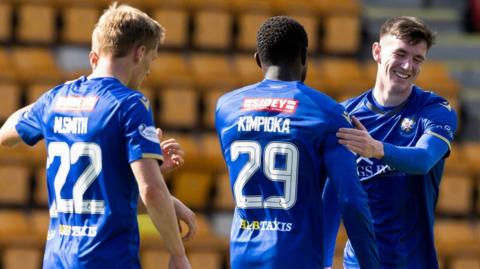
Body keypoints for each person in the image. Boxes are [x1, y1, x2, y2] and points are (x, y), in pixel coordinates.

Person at [0, 3, 195, 269]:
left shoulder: (55, 99)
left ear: (95, 56)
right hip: (107, 260)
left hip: (57, 260)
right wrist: (178, 253)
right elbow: (150, 190)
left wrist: (166, 196)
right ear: (139, 53)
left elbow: (7, 134)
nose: (149, 70)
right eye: (152, 58)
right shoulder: (130, 104)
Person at [215, 16, 380, 269]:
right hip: (297, 257)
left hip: (242, 254)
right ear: (304, 57)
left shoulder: (226, 107)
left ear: (258, 59)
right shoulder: (327, 113)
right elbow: (350, 199)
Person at [323, 16, 458, 269]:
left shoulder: (435, 110)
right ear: (377, 51)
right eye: (401, 54)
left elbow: (424, 159)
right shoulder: (344, 115)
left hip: (414, 262)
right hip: (359, 263)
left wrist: (377, 149)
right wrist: (323, 261)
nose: (408, 66)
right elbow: (332, 193)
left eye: (418, 59)